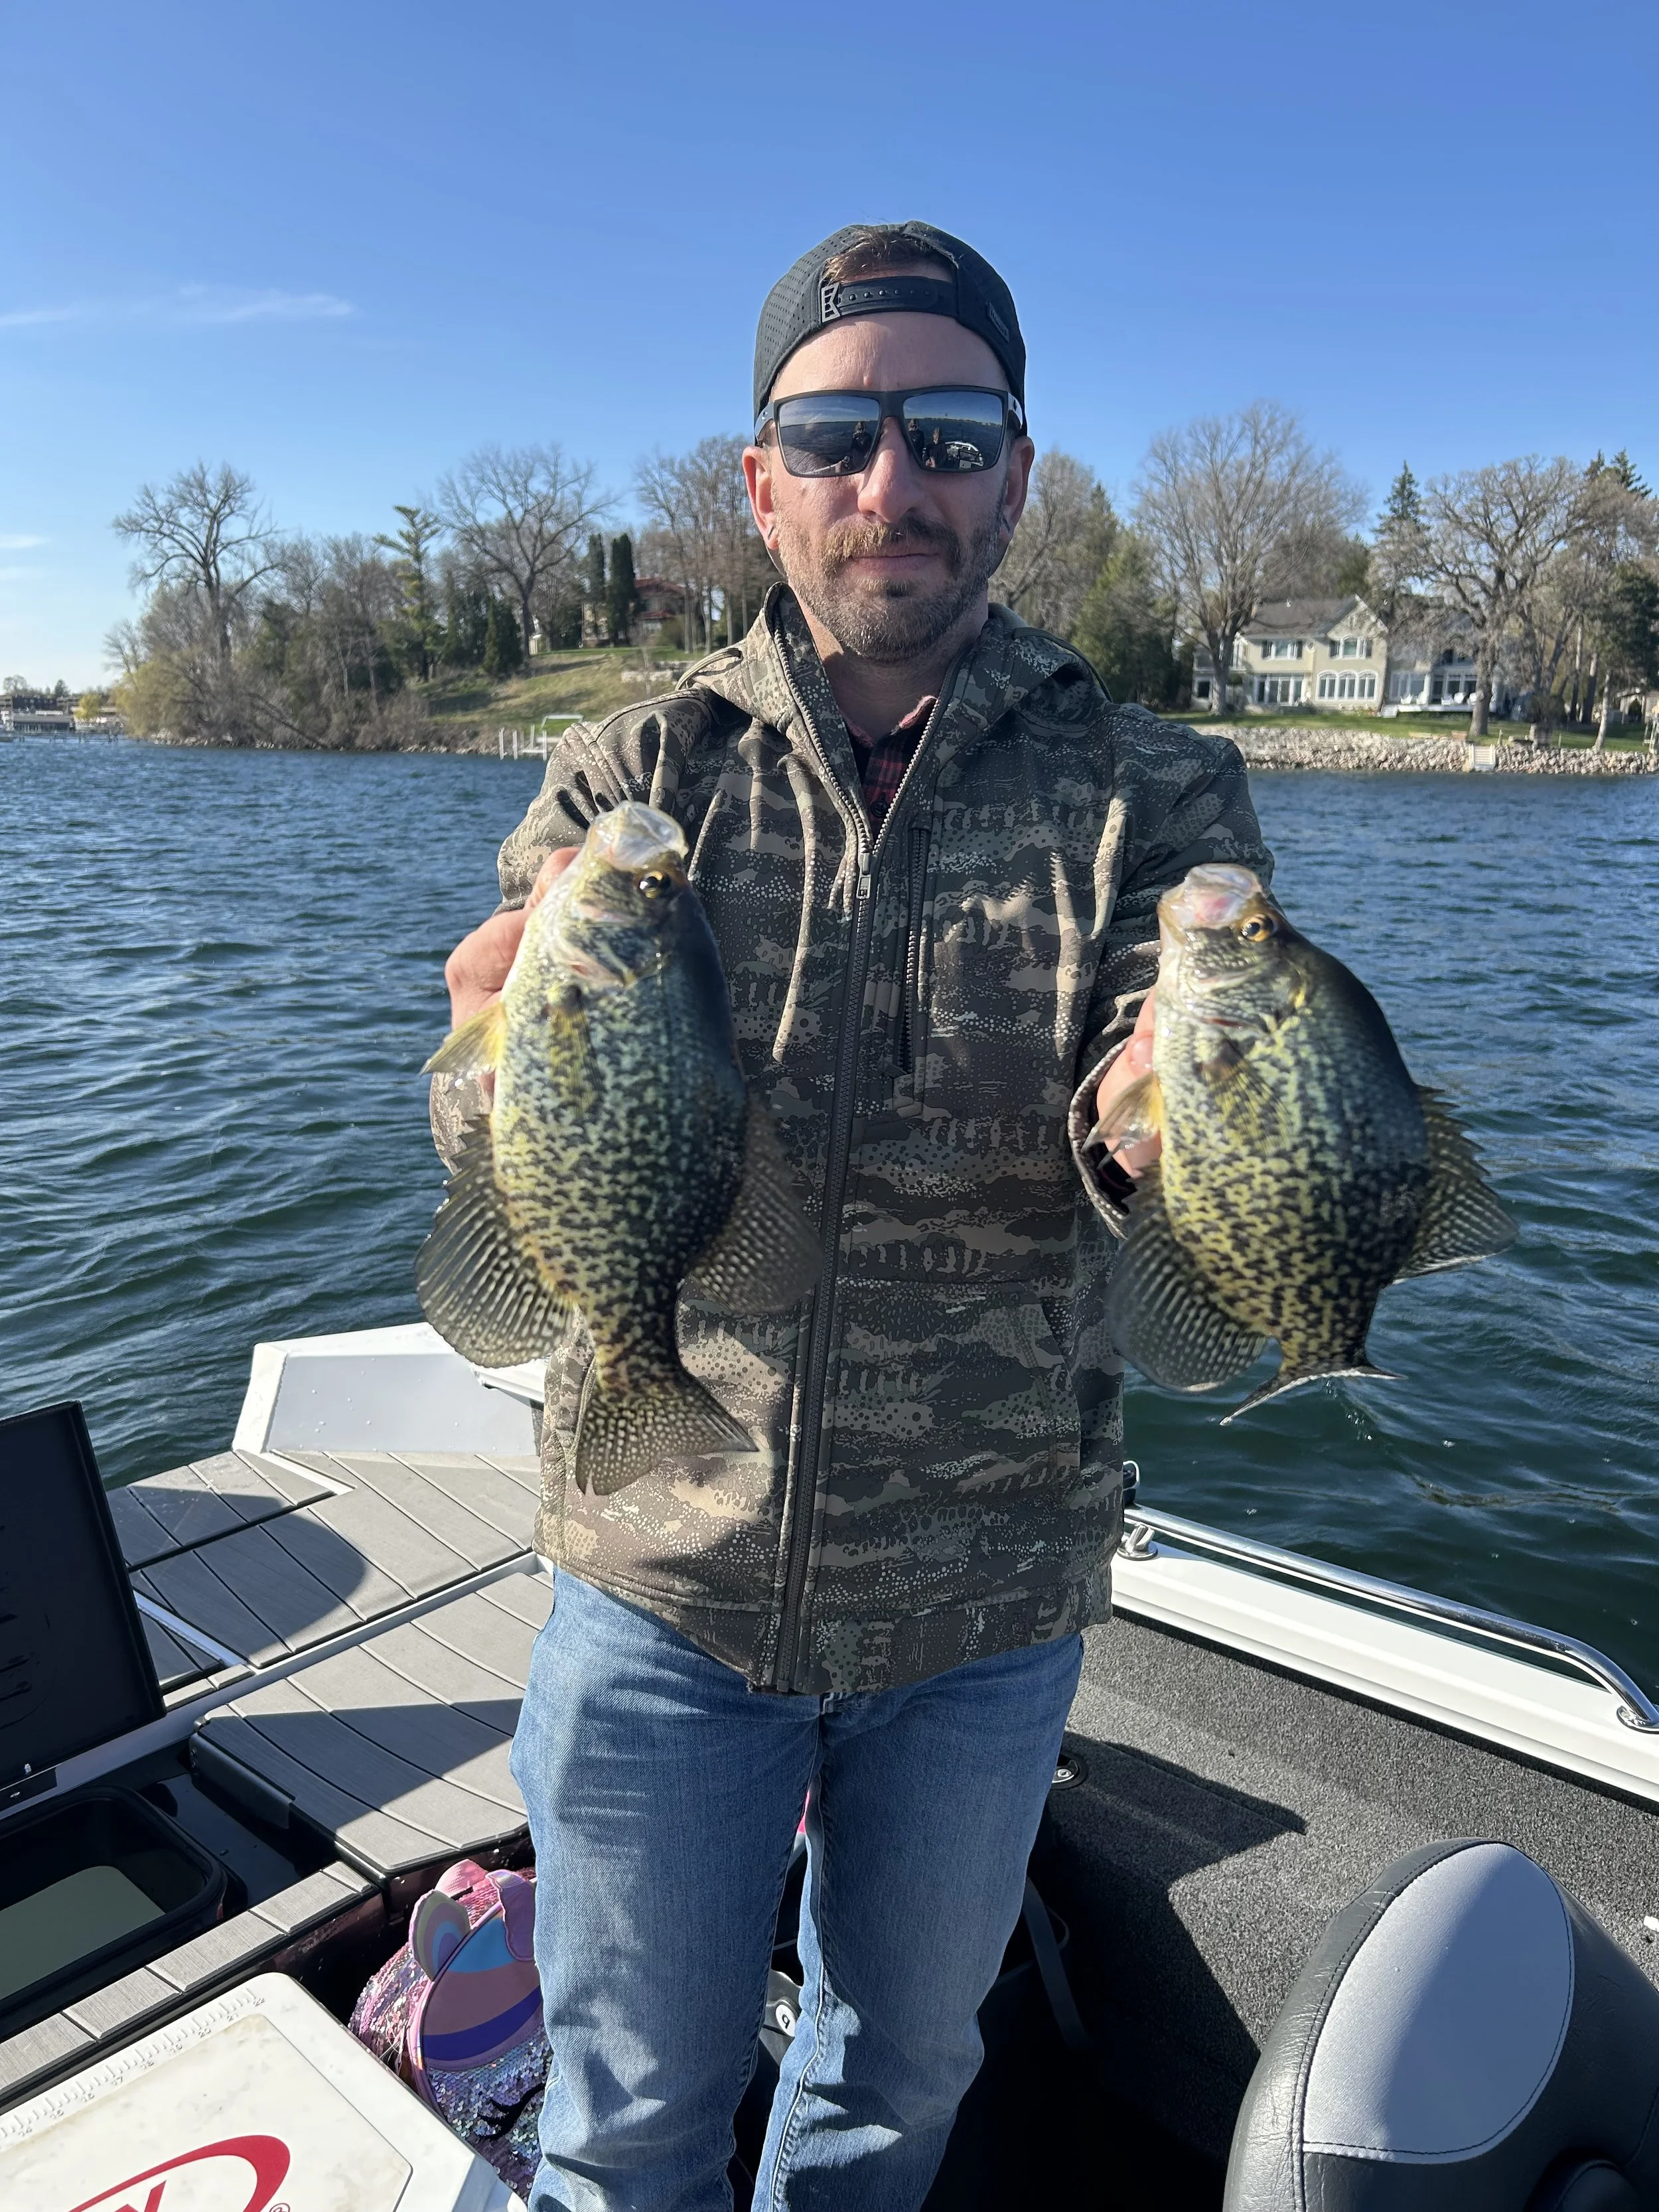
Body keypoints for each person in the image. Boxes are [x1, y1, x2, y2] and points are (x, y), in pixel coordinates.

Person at [433, 220, 1270, 2212]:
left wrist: (1180, 1124)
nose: (890, 485)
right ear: (761, 479)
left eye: (950, 432)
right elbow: (507, 1118)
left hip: (987, 1606)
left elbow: (1168, 1082)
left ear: (1017, 472)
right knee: (624, 2121)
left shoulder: (1155, 785)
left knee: (892, 2086)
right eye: (835, 434)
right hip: (661, 1581)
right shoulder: (633, 768)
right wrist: (475, 1058)